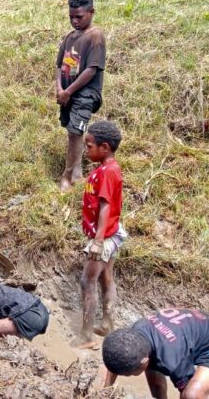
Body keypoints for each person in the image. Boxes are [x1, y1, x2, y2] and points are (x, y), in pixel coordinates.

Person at [102, 308, 209, 399]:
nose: (131, 375)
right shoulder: (131, 334)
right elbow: (115, 354)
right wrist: (105, 392)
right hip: (193, 329)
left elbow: (184, 392)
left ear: (144, 361)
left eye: (130, 374)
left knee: (192, 394)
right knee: (156, 383)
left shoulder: (173, 362)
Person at [76, 120, 127, 350]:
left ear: (104, 147)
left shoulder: (108, 172)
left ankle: (87, 336)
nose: (86, 150)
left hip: (104, 238)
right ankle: (107, 324)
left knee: (88, 281)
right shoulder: (108, 168)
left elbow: (105, 206)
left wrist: (97, 242)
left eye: (89, 146)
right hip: (111, 232)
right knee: (107, 279)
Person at [55, 0, 106, 191]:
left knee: (76, 131)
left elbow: (91, 70)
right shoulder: (70, 37)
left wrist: (69, 92)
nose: (74, 21)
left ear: (91, 12)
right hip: (67, 93)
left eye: (79, 17)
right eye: (71, 17)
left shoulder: (95, 37)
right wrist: (60, 89)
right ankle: (77, 174)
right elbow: (60, 66)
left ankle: (67, 177)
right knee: (71, 132)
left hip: (85, 94)